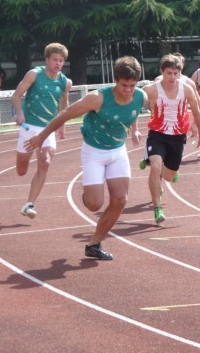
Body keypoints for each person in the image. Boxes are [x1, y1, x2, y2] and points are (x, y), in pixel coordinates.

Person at [24, 56, 146, 260]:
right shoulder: (97, 98)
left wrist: (135, 130)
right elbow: (66, 114)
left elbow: (134, 112)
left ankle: (94, 244)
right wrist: (41, 137)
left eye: (132, 85)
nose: (128, 89)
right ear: (116, 80)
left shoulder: (140, 96)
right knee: (94, 204)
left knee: (120, 200)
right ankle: (87, 196)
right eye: (124, 85)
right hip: (94, 152)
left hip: (117, 150)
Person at [142, 54, 200, 224]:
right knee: (156, 167)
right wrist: (133, 128)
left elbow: (196, 112)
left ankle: (169, 171)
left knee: (167, 176)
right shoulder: (151, 89)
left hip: (178, 136)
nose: (172, 77)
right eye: (169, 73)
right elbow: (134, 104)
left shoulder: (186, 89)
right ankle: (157, 208)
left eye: (175, 73)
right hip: (157, 135)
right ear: (162, 72)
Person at [11, 43, 72, 219]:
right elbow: (16, 96)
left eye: (61, 60)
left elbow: (63, 104)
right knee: (21, 171)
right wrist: (20, 113)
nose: (58, 63)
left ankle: (29, 204)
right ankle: (26, 160)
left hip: (48, 129)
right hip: (28, 127)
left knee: (45, 162)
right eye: (55, 59)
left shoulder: (65, 82)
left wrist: (62, 124)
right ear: (47, 59)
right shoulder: (34, 74)